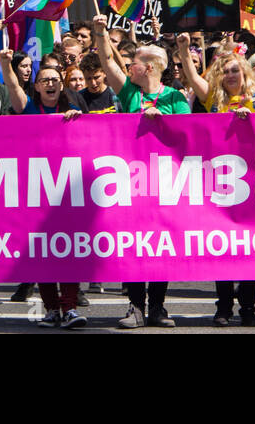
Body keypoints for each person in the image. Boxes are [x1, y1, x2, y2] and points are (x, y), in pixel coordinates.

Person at [93, 25, 190, 328]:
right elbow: (108, 63)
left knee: (161, 245)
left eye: (133, 61)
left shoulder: (174, 97)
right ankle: (135, 307)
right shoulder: (130, 91)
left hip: (165, 183)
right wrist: (100, 34)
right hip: (131, 182)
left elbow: (189, 135)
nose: (128, 65)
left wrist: (165, 121)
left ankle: (158, 307)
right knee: (134, 245)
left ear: (148, 68)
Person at [175, 33, 255, 326]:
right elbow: (192, 77)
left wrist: (252, 122)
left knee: (251, 250)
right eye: (225, 70)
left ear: (244, 73)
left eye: (235, 70)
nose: (230, 75)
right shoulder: (214, 99)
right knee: (224, 248)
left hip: (254, 185)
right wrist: (182, 47)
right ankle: (224, 307)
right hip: (220, 184)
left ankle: (249, 308)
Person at [5, 61, 87, 329]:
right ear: (37, 86)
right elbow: (13, 86)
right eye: (45, 80)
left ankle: (71, 307)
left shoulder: (74, 108)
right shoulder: (28, 107)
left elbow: (92, 137)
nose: (50, 83)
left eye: (55, 79)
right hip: (35, 188)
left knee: (70, 250)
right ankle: (51, 308)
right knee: (43, 252)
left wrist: (79, 122)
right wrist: (6, 63)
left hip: (67, 188)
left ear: (60, 84)